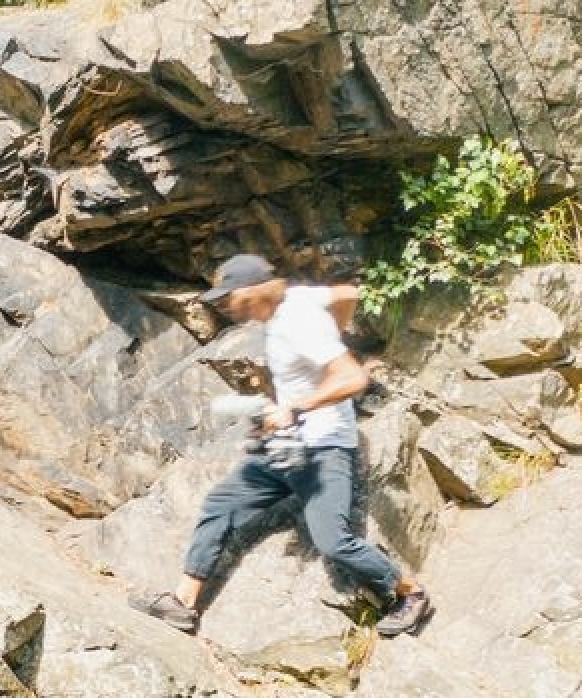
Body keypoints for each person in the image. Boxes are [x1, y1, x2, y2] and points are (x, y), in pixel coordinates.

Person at [141, 254, 434, 637]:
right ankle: (182, 604)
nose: (229, 307)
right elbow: (348, 292)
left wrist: (296, 405)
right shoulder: (298, 299)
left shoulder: (300, 322)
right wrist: (336, 336)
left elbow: (351, 378)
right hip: (289, 445)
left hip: (325, 449)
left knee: (333, 541)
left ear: (253, 291)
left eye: (232, 299)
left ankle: (410, 595)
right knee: (221, 504)